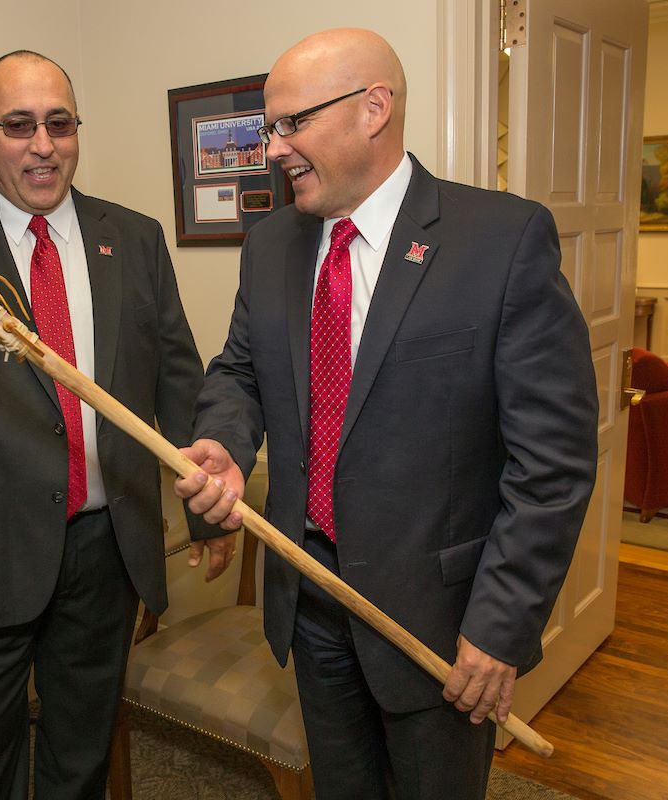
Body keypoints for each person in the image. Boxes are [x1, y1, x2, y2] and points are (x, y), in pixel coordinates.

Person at [176, 28, 598, 799]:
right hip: (310, 596)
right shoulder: (271, 245)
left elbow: (554, 464)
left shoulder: (500, 241)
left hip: (438, 618)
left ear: (375, 108)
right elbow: (240, 369)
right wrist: (224, 442)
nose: (274, 147)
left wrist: (500, 624)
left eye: (290, 123)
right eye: (271, 126)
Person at [0, 50, 231, 800]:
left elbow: (179, 382)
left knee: (80, 755)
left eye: (59, 123)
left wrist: (205, 507)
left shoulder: (137, 237)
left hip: (105, 551)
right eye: (19, 125)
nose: (43, 144)